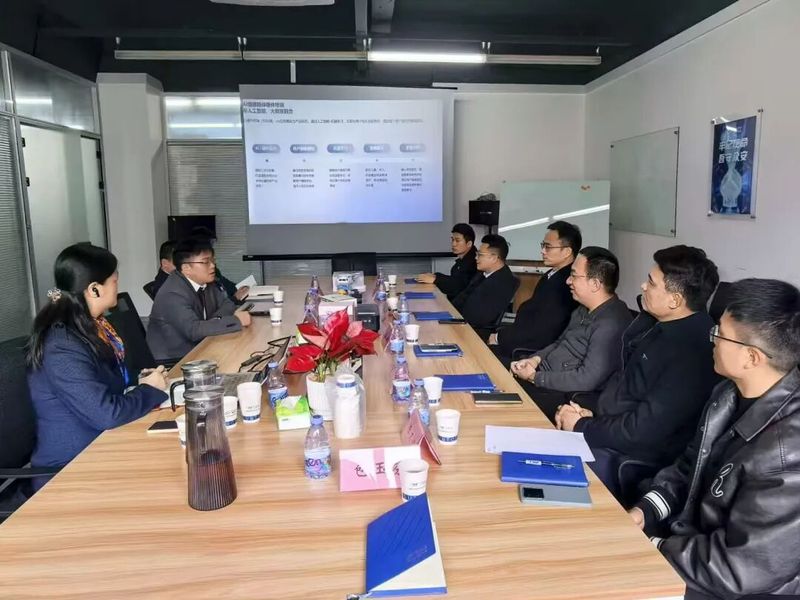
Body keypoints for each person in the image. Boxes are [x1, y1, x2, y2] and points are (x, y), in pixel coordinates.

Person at [629, 279, 800, 600]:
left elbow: (740, 568)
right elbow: (689, 468)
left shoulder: (787, 453)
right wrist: (645, 512)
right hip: (693, 549)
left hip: (741, 587)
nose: (712, 339)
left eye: (720, 333)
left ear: (752, 357)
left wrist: (653, 546)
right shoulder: (727, 395)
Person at [554, 245, 720, 499]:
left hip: (632, 459)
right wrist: (590, 414)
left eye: (651, 283)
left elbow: (641, 432)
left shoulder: (691, 352)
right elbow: (626, 391)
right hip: (612, 429)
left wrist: (583, 425)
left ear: (675, 300)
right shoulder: (659, 324)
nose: (643, 286)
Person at [26, 244, 169, 491]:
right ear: (94, 289)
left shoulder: (94, 327)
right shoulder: (62, 344)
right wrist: (150, 390)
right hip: (70, 470)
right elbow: (106, 414)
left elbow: (106, 377)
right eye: (114, 280)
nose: (117, 286)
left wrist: (140, 378)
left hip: (103, 444)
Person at [510, 247, 632, 421]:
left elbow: (586, 379)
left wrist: (534, 377)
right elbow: (559, 342)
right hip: (542, 376)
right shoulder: (583, 308)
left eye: (574, 275)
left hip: (560, 394)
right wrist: (535, 359)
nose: (568, 281)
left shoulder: (611, 324)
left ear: (595, 284)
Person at [489, 221, 581, 368]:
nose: (543, 251)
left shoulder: (566, 284)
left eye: (548, 247)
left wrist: (500, 337)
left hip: (530, 352)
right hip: (521, 339)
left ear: (567, 252)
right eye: (542, 245)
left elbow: (542, 330)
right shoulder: (551, 274)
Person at [147, 237, 251, 361]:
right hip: (176, 359)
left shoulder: (206, 283)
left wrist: (212, 322)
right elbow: (194, 330)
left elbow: (226, 304)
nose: (212, 266)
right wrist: (236, 320)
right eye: (205, 262)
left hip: (203, 346)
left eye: (213, 260)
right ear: (186, 268)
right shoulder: (172, 294)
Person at [451, 234, 518, 339]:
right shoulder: (483, 274)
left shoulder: (503, 282)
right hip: (462, 323)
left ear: (494, 258)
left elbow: (477, 317)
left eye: (480, 255)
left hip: (473, 333)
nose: (476, 258)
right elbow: (462, 297)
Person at [416, 223, 477, 300]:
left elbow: (460, 286)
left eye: (457, 240)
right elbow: (454, 279)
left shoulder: (474, 263)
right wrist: (435, 276)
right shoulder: (462, 260)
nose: (453, 244)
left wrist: (436, 280)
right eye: (452, 240)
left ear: (469, 244)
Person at [190, 226, 249, 304]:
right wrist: (234, 298)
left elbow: (225, 284)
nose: (212, 265)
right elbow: (215, 304)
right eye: (211, 243)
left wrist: (241, 288)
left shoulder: (213, 269)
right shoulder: (197, 276)